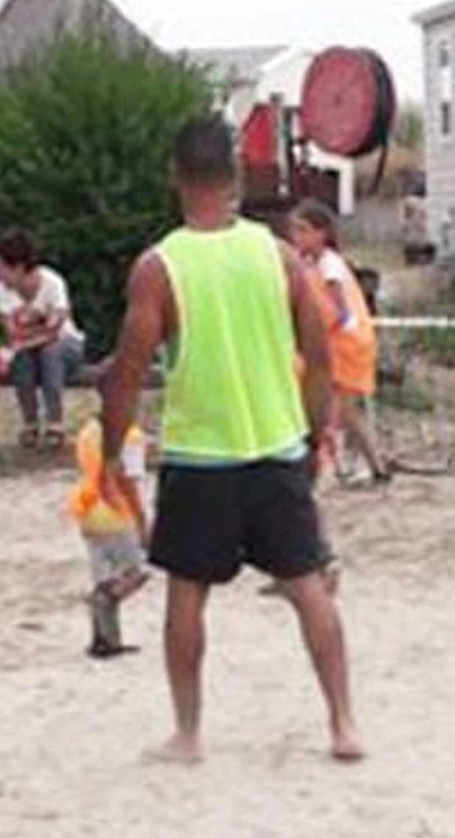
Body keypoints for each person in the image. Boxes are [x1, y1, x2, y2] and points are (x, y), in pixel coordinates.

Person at [99, 115, 363, 764]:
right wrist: (316, 433)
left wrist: (110, 452)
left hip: (200, 455)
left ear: (175, 175)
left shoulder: (159, 267)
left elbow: (127, 372)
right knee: (308, 587)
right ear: (236, 175)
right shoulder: (278, 256)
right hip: (275, 444)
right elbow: (319, 355)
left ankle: (188, 734)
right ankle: (343, 723)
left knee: (187, 594)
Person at [289, 201, 391, 485]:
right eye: (294, 230)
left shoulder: (329, 265)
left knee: (330, 412)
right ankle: (375, 467)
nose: (296, 237)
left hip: (345, 348)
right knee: (347, 413)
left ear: (322, 233)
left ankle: (327, 470)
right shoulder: (315, 264)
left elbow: (338, 313)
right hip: (340, 346)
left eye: (303, 230)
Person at [66, 411, 151, 658]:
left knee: (103, 577)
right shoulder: (131, 436)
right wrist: (141, 519)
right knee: (136, 572)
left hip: (87, 506)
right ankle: (104, 605)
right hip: (116, 511)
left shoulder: (88, 430)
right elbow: (127, 481)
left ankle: (104, 639)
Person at [0, 230, 83, 449]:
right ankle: (30, 422)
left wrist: (24, 338)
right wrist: (36, 333)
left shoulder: (52, 283)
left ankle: (55, 422)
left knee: (50, 352)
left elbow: (56, 330)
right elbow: (12, 331)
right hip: (30, 348)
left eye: (1, 268)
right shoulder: (2, 289)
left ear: (18, 268)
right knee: (23, 358)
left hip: (66, 345)